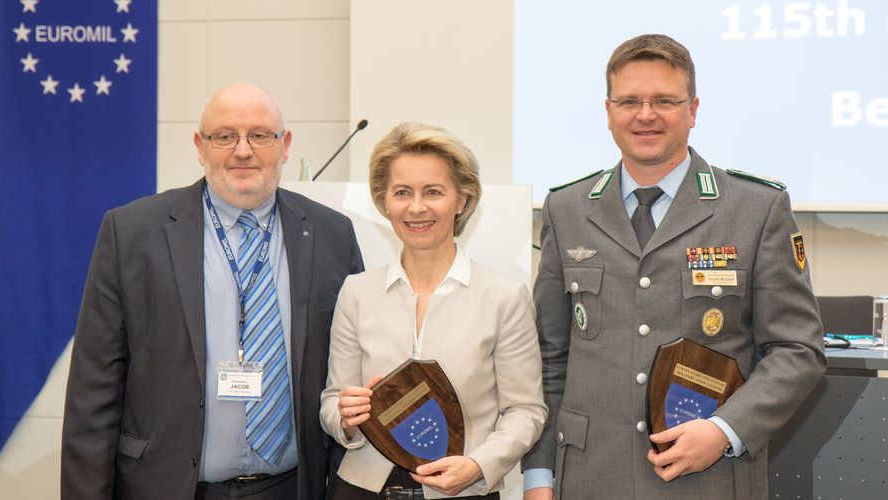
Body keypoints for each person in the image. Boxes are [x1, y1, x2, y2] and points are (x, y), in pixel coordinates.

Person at [521, 34, 827, 500]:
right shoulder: (566, 209)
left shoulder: (755, 208)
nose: (645, 115)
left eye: (664, 100)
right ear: (608, 112)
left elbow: (797, 349)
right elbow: (550, 358)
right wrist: (538, 475)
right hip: (589, 476)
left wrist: (726, 430)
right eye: (629, 101)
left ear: (693, 109)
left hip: (710, 478)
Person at [61, 82, 364, 500]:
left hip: (294, 487)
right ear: (200, 146)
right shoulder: (132, 232)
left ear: (285, 144)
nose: (243, 150)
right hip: (168, 487)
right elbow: (94, 388)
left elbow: (353, 370)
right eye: (224, 136)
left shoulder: (333, 234)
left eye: (260, 135)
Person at [320, 122, 547, 499]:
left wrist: (478, 465)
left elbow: (526, 411)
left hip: (463, 490)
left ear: (462, 199)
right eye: (402, 192)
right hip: (360, 489)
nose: (416, 207)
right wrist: (344, 417)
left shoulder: (504, 297)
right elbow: (332, 400)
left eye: (433, 192)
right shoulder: (356, 292)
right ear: (384, 201)